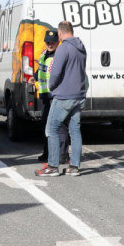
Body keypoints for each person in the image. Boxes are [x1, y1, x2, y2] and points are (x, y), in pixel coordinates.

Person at [35, 21, 87, 177]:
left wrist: (51, 86)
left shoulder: (63, 48)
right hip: (78, 95)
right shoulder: (81, 47)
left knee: (51, 129)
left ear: (60, 33)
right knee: (75, 131)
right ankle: (74, 167)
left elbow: (56, 73)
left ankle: (52, 165)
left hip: (64, 96)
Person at [28, 30, 69, 164]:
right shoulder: (44, 54)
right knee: (46, 125)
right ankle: (48, 152)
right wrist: (34, 77)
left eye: (53, 42)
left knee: (60, 126)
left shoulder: (59, 55)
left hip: (56, 95)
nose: (50, 44)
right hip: (46, 95)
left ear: (58, 42)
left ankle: (63, 155)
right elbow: (41, 69)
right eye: (48, 42)